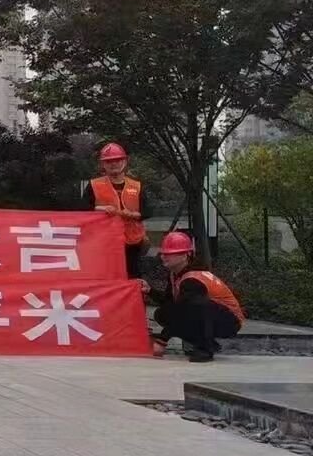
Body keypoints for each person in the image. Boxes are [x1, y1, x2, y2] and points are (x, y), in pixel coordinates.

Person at [150, 231, 243, 362]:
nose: (163, 257)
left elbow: (182, 310)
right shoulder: (176, 275)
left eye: (169, 254)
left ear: (185, 255)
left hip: (229, 321)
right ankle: (206, 342)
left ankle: (205, 349)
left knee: (195, 305)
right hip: (211, 315)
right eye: (163, 253)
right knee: (163, 313)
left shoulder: (193, 279)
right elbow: (169, 303)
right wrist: (149, 291)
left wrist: (162, 340)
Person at [84, 142, 148, 281]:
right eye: (109, 161)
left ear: (125, 161)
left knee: (132, 278)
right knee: (107, 278)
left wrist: (131, 215)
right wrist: (100, 209)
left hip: (132, 243)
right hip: (104, 243)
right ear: (103, 164)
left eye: (117, 160)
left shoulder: (136, 186)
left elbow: (147, 211)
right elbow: (81, 210)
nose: (114, 164)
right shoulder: (94, 185)